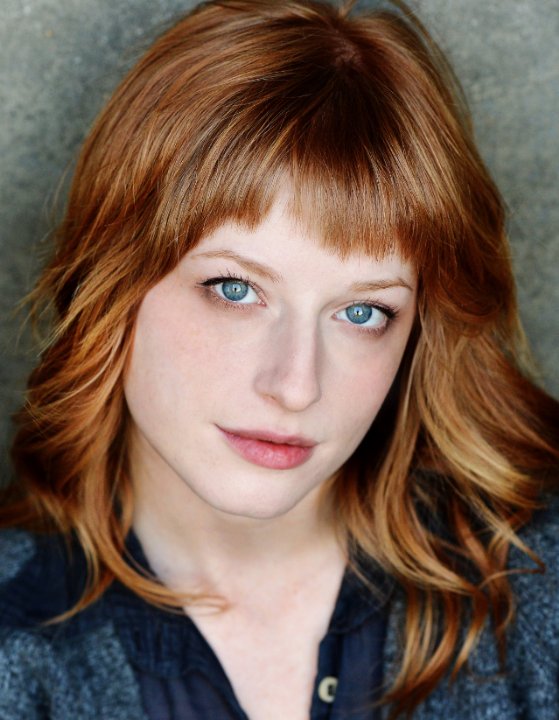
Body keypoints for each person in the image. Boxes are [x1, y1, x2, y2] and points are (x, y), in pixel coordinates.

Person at [1, 0, 558, 717]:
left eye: (363, 312)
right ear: (111, 281)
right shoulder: (16, 648)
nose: (296, 386)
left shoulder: (536, 585)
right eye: (235, 290)